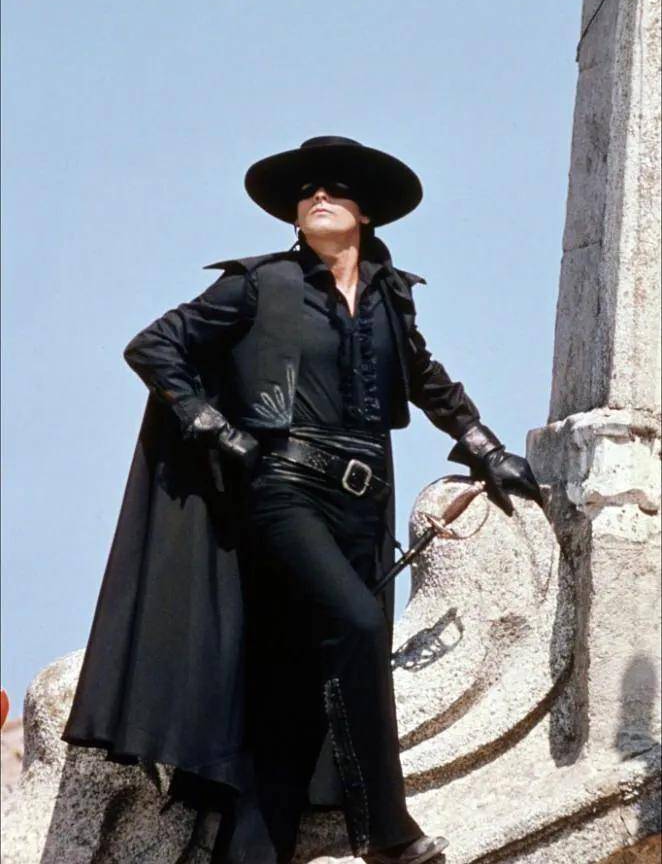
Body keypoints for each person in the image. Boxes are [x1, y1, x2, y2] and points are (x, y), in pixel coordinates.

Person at [61, 135, 543, 864]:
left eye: (337, 188)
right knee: (357, 624)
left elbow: (425, 378)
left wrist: (484, 446)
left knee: (291, 687)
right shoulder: (261, 284)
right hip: (282, 491)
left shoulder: (388, 297)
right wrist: (214, 425)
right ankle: (387, 832)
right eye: (308, 189)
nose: (319, 195)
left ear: (365, 214)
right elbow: (155, 346)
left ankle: (251, 850)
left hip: (362, 506)